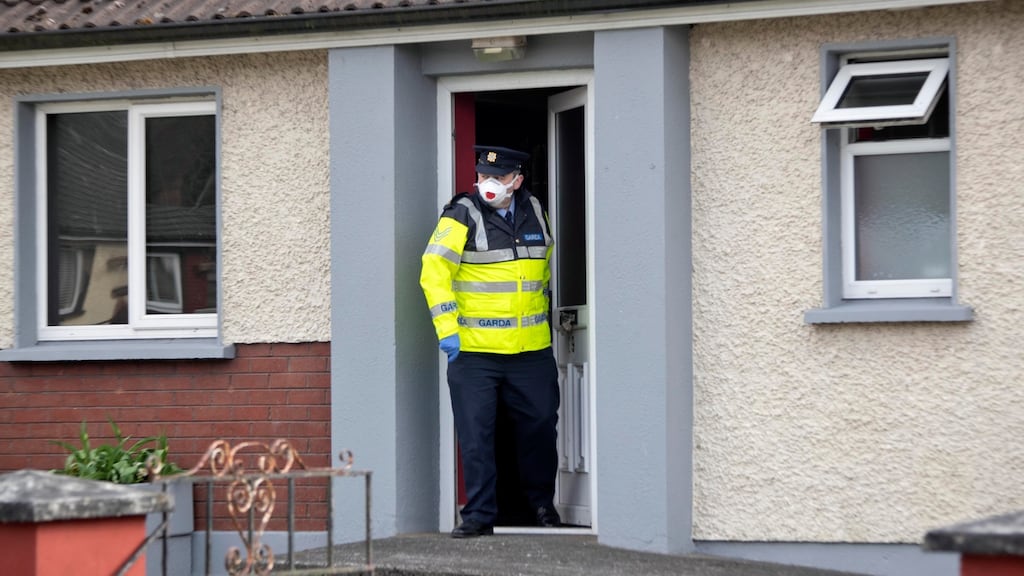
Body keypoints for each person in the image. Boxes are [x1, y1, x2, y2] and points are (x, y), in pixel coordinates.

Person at [420, 145, 561, 538]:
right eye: (483, 176)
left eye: (498, 179)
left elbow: (544, 273)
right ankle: (479, 516)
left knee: (539, 429)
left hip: (530, 351)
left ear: (517, 181)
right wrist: (447, 329)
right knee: (477, 433)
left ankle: (540, 506)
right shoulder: (461, 213)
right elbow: (433, 271)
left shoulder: (535, 210)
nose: (489, 184)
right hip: (474, 351)